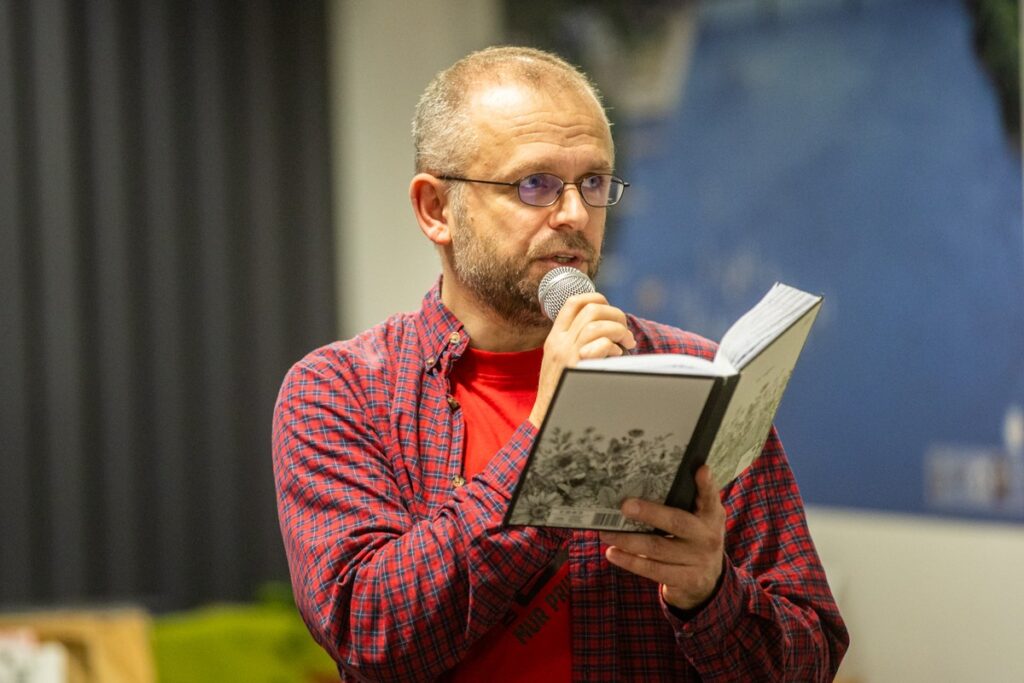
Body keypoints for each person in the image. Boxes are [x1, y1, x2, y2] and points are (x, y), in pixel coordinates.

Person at [272, 46, 848, 682]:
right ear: (437, 209)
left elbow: (811, 656)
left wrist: (711, 595)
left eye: (594, 183)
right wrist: (547, 439)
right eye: (534, 184)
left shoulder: (693, 374)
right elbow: (371, 635)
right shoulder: (340, 391)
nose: (575, 214)